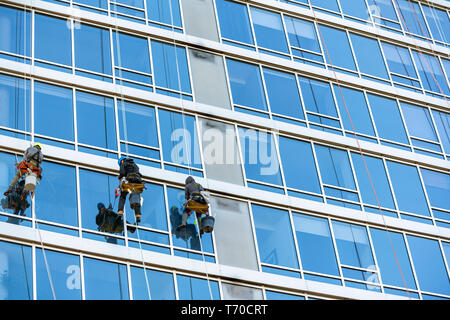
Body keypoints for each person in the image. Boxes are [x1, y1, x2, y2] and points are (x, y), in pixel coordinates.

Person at [117, 157, 144, 223]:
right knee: (136, 197)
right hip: (137, 182)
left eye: (120, 164)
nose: (121, 165)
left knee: (123, 196)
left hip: (129, 181)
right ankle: (138, 215)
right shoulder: (135, 165)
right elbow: (139, 173)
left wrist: (119, 177)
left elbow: (122, 173)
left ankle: (120, 211)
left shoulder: (124, 164)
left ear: (122, 161)